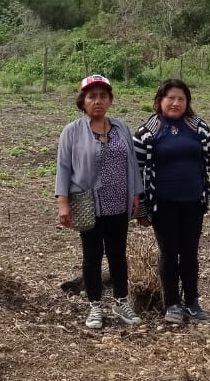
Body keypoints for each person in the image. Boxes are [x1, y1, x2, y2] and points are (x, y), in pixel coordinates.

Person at [55, 74, 144, 329]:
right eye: (92, 96)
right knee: (92, 255)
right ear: (82, 101)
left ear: (110, 101)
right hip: (88, 204)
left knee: (118, 254)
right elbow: (63, 168)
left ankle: (121, 301)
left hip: (118, 202)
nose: (98, 101)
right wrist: (63, 202)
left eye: (103, 96)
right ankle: (94, 305)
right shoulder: (72, 131)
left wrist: (135, 194)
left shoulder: (121, 128)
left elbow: (132, 164)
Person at [133, 79, 210, 324]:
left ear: (187, 102)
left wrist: (193, 170)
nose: (175, 103)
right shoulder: (148, 131)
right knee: (169, 253)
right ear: (159, 101)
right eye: (170, 98)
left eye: (181, 99)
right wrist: (141, 209)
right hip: (162, 204)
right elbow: (136, 170)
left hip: (194, 202)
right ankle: (172, 304)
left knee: (190, 253)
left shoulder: (197, 126)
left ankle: (192, 302)